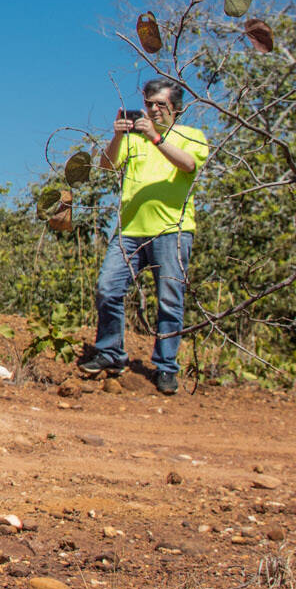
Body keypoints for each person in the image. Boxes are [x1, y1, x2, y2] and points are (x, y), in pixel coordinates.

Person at [79, 79, 209, 394]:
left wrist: (155, 137)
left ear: (176, 108)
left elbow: (188, 164)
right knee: (108, 287)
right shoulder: (132, 139)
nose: (152, 109)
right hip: (130, 231)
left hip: (173, 231)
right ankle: (110, 353)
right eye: (149, 103)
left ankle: (166, 368)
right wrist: (118, 135)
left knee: (169, 300)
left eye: (160, 104)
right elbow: (107, 166)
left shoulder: (191, 136)